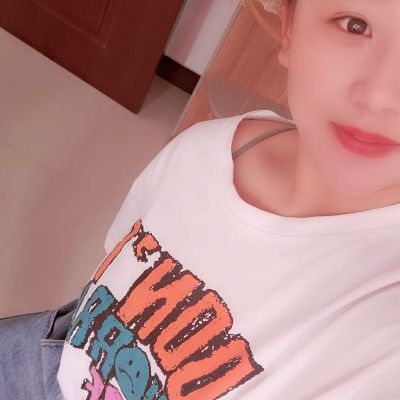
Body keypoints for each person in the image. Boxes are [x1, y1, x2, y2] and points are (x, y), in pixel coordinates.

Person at [2, 0, 400, 398]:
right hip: (47, 349)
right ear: (290, 29)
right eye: (354, 24)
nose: (381, 94)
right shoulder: (206, 148)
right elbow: (116, 259)